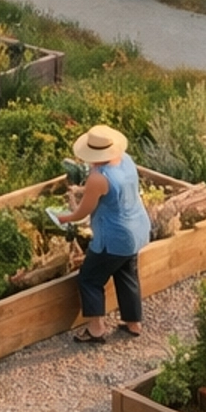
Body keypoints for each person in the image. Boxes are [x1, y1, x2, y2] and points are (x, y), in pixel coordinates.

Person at [60, 124, 151, 344]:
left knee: (90, 278)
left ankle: (96, 329)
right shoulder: (126, 159)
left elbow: (84, 210)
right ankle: (133, 323)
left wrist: (65, 218)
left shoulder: (99, 178)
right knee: (126, 273)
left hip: (114, 236)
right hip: (137, 228)